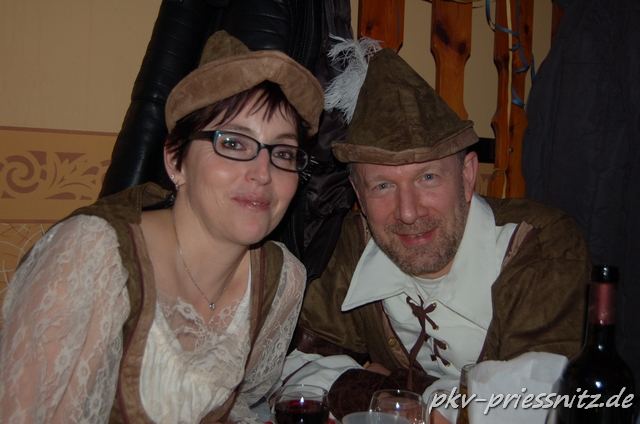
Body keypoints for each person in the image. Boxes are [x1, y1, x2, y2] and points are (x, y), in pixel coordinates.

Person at [0, 30, 323, 423]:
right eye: (233, 143)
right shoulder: (91, 257)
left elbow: (242, 404)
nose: (263, 172)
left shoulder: (282, 279)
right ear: (175, 160)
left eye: (283, 152)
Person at [282, 47, 591, 422]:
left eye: (428, 177)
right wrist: (418, 399)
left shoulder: (542, 245)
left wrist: (403, 392)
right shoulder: (349, 245)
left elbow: (535, 405)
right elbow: (293, 369)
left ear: (467, 176)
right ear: (358, 195)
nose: (408, 212)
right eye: (382, 186)